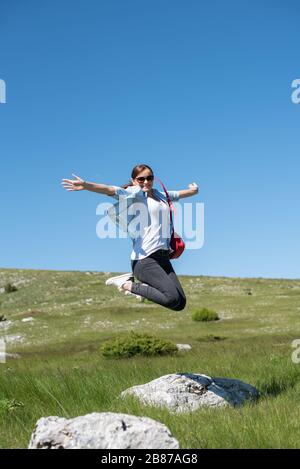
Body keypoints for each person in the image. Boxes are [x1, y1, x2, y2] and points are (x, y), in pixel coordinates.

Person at [61, 164, 198, 311]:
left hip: (163, 258)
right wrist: (86, 185)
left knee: (180, 303)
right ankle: (125, 283)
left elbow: (179, 194)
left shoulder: (160, 195)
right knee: (172, 298)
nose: (146, 182)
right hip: (145, 259)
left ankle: (144, 287)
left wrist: (193, 191)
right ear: (134, 181)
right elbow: (109, 189)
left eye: (149, 178)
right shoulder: (134, 194)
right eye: (141, 179)